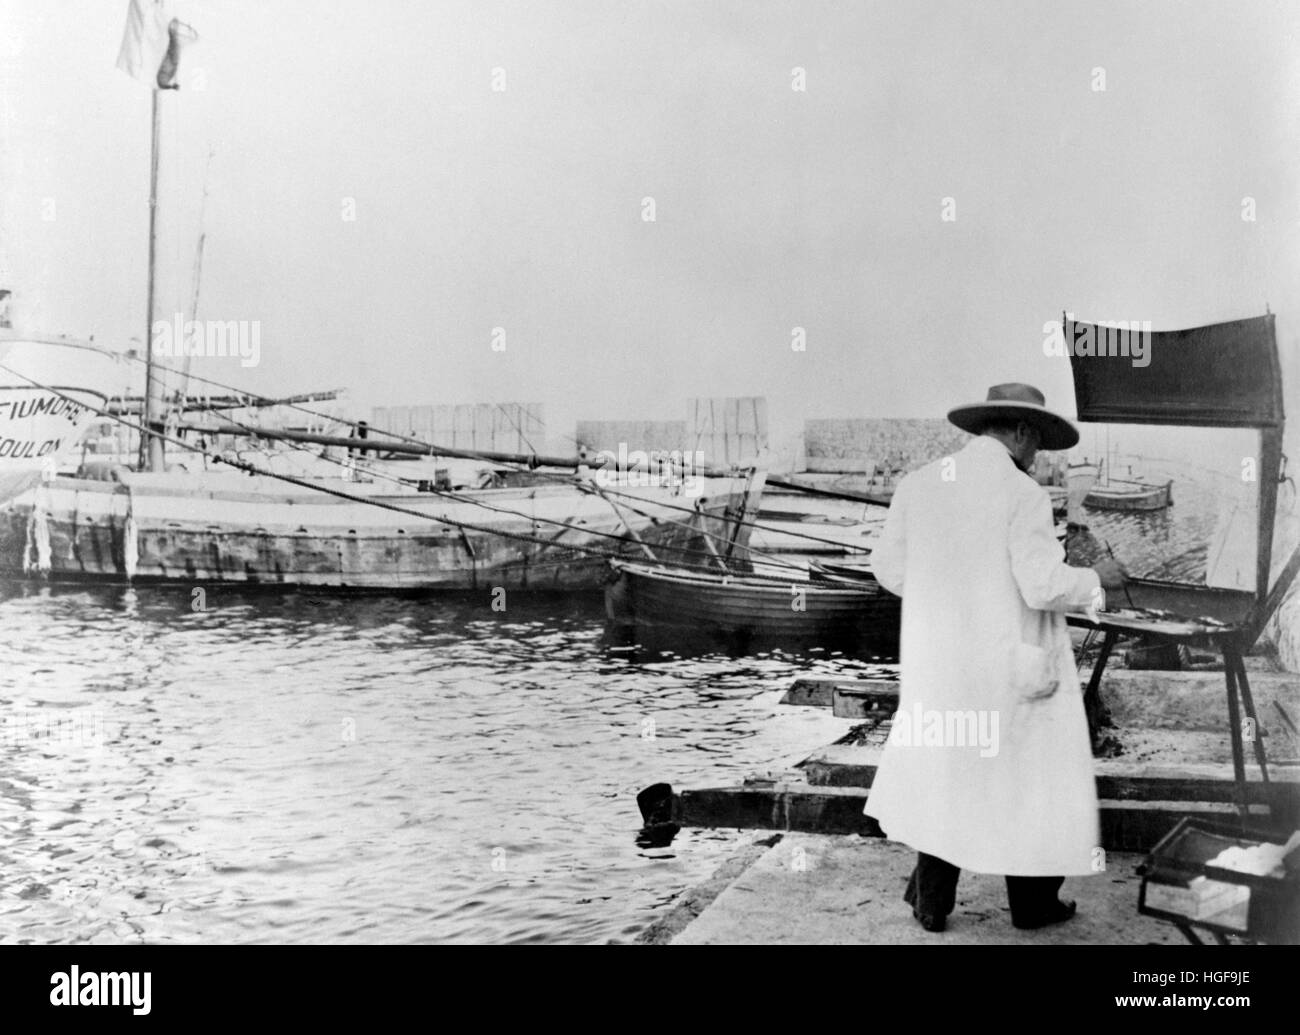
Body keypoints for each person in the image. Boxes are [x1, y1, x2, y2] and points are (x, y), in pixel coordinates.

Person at [865, 382, 1126, 933]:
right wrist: (1095, 581)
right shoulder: (1021, 493)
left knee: (949, 774)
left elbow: (888, 568)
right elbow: (1041, 586)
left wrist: (951, 600)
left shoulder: (921, 484)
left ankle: (931, 901)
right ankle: (1033, 906)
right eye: (1039, 445)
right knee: (1028, 781)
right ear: (1023, 432)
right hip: (1008, 667)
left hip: (942, 667)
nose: (1038, 458)